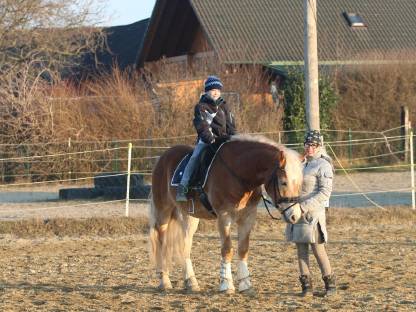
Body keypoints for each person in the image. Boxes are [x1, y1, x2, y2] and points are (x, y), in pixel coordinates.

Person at [285, 130, 336, 297]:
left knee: (318, 250)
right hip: (297, 213)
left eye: (313, 145)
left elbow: (324, 193)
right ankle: (306, 288)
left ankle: (330, 287)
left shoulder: (324, 165)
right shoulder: (302, 164)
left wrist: (303, 207)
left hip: (313, 215)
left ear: (319, 146)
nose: (310, 148)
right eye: (307, 144)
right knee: (301, 251)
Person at [176, 75, 236, 202]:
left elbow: (230, 123)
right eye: (213, 90)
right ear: (207, 91)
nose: (215, 92)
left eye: (218, 90)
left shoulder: (224, 105)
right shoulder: (201, 106)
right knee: (195, 157)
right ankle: (183, 187)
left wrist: (233, 137)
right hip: (208, 140)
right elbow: (202, 125)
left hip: (224, 140)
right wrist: (210, 139)